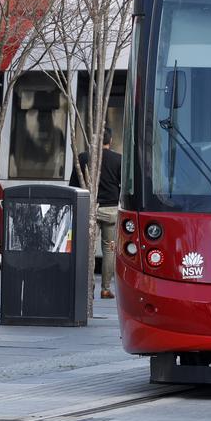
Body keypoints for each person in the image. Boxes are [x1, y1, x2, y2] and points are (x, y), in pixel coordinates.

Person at [69, 127, 122, 299]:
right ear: (110, 140)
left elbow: (73, 185)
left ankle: (88, 288)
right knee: (109, 248)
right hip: (111, 210)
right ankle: (106, 289)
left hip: (89, 209)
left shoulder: (83, 158)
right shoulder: (118, 160)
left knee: (88, 250)